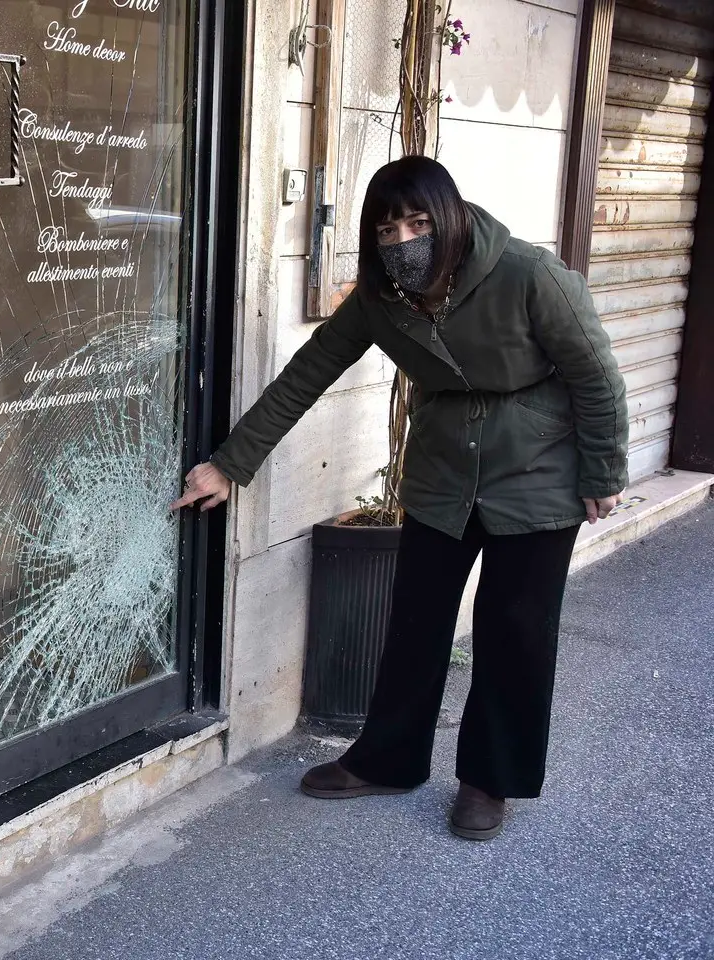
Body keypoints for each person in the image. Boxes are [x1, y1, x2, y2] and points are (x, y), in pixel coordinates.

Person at [171, 156, 628, 840]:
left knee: (516, 632)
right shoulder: (382, 299)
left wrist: (602, 473)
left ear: (449, 216)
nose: (404, 240)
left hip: (536, 471)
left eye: (418, 222)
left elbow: (597, 378)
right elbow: (307, 373)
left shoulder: (531, 276)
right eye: (388, 229)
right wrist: (231, 464)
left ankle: (488, 781)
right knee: (414, 624)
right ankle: (388, 759)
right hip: (443, 473)